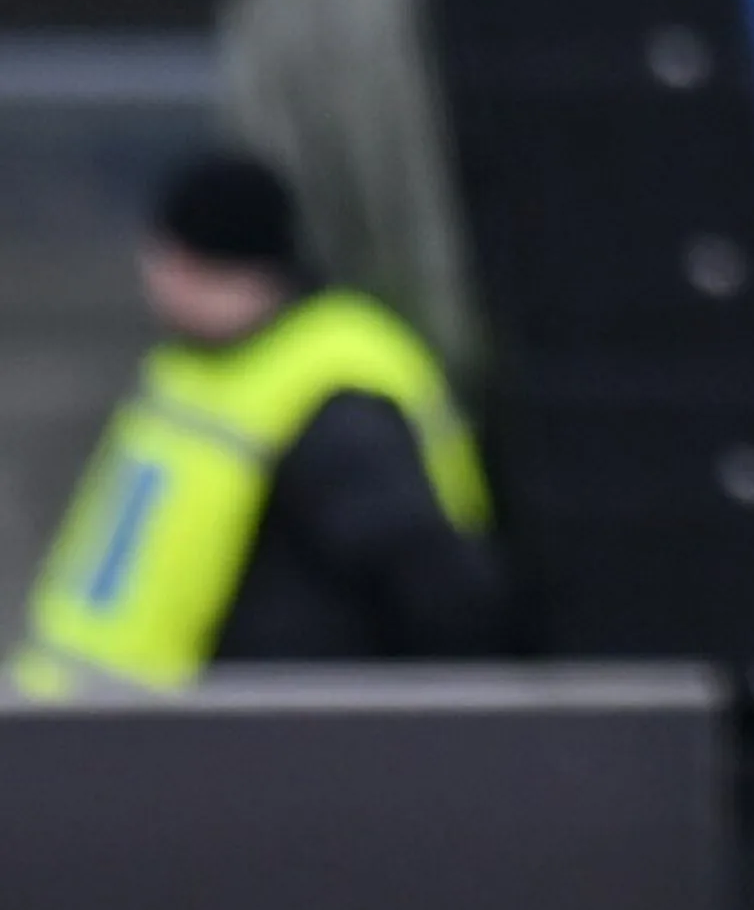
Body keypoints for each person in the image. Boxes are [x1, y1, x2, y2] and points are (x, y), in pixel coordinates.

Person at [14, 151, 502, 694]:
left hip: (283, 739)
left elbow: (438, 588)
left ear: (184, 260)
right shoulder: (199, 369)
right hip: (160, 735)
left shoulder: (336, 393)